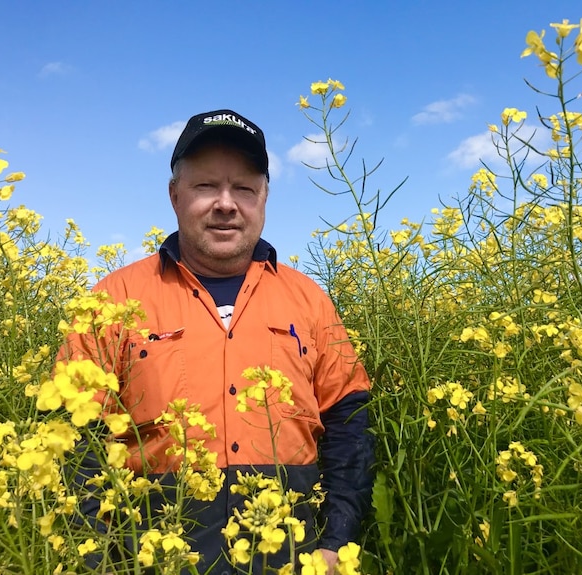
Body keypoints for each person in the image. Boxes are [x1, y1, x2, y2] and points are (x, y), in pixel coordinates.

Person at [60, 109, 374, 574]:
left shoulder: (310, 300)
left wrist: (337, 538)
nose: (226, 204)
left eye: (244, 189)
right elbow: (72, 439)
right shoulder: (112, 299)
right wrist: (99, 558)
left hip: (291, 558)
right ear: (174, 196)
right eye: (206, 186)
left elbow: (349, 424)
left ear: (264, 198)